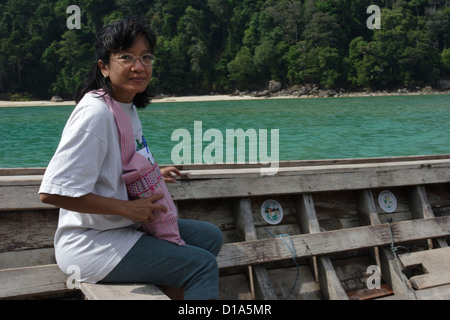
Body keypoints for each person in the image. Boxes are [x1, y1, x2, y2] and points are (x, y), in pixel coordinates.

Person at [39, 17, 223, 300]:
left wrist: (154, 174)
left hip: (123, 227)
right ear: (104, 66)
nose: (139, 66)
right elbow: (52, 193)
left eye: (145, 57)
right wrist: (126, 208)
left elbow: (119, 164)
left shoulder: (125, 106)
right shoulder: (95, 114)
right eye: (126, 57)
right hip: (91, 243)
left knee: (210, 237)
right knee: (201, 266)